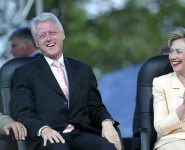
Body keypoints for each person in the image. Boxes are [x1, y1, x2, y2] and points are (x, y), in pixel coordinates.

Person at [10, 12, 122, 150]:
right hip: (47, 138)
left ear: (62, 34)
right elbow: (23, 113)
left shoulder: (83, 69)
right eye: (42, 36)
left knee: (107, 147)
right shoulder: (24, 73)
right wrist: (43, 129)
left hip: (81, 134)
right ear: (36, 42)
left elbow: (96, 107)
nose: (48, 39)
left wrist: (106, 122)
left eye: (52, 33)